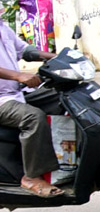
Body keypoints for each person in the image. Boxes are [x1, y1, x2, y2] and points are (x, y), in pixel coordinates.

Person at [0, 23, 60, 197]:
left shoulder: (3, 27)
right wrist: (18, 75)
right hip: (2, 100)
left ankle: (66, 160)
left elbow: (25, 50)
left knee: (62, 97)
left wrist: (57, 57)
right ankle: (32, 176)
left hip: (16, 93)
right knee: (33, 117)